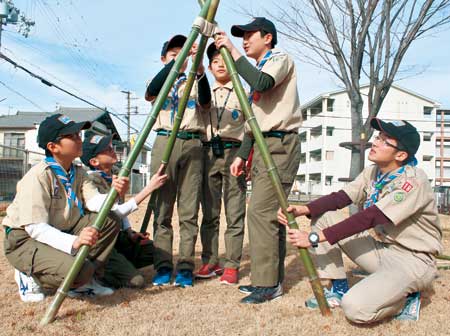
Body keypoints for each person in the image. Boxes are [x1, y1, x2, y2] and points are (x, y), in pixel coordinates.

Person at [278, 118, 442, 323]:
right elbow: (343, 197)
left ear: (400, 155)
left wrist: (313, 237)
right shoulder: (373, 172)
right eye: (378, 137)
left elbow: (370, 217)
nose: (375, 142)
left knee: (355, 309)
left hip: (413, 260)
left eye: (385, 141)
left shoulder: (412, 182)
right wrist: (305, 209)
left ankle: (406, 297)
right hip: (385, 251)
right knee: (325, 216)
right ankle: (338, 289)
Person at [215, 17, 302, 303]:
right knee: (270, 217)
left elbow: (262, 83)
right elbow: (254, 122)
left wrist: (233, 53)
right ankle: (271, 281)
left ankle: (267, 284)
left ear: (268, 37)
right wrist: (242, 155)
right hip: (264, 143)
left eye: (250, 34)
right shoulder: (259, 67)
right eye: (241, 36)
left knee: (260, 213)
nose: (244, 39)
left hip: (280, 144)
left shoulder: (279, 58)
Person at [3, 114, 129, 302]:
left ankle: (81, 283)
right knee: (80, 270)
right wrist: (74, 242)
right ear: (53, 147)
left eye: (78, 133)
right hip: (26, 239)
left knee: (110, 220)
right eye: (71, 136)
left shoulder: (78, 172)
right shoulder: (39, 175)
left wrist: (115, 193)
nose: (79, 138)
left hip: (60, 230)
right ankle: (29, 274)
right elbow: (34, 227)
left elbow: (94, 202)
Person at [144, 34, 211, 287]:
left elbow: (205, 102)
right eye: (174, 53)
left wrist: (200, 68)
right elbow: (150, 94)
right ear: (164, 58)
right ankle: (162, 265)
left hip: (192, 143)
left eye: (183, 52)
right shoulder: (159, 78)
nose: (179, 57)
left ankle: (184, 266)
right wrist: (175, 65)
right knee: (162, 209)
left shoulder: (196, 79)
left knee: (189, 210)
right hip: (164, 141)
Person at [80, 133, 167, 288]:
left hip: (118, 238)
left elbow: (120, 207)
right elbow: (115, 212)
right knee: (137, 282)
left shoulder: (113, 175)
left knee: (159, 253)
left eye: (111, 146)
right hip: (103, 244)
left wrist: (129, 232)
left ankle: (123, 263)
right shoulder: (89, 180)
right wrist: (149, 188)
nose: (112, 149)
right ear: (94, 161)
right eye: (106, 149)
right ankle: (97, 273)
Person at [196, 43, 247, 285]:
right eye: (216, 61)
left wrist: (248, 156)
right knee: (210, 212)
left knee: (235, 211)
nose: (221, 65)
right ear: (209, 66)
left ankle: (232, 265)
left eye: (225, 60)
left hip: (234, 151)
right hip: (208, 153)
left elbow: (250, 129)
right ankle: (210, 260)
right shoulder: (203, 91)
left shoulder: (242, 92)